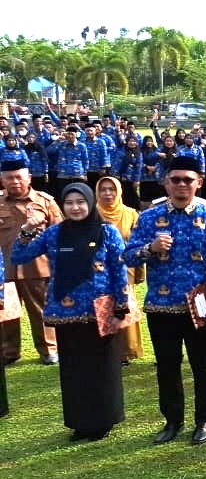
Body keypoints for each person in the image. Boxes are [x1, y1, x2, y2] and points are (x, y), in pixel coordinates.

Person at [123, 155, 206, 446]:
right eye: (175, 179)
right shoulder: (148, 218)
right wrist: (150, 248)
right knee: (167, 366)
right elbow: (128, 255)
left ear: (199, 183)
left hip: (199, 306)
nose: (181, 184)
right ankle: (172, 420)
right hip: (161, 305)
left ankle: (205, 420)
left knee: (203, 365)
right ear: (165, 182)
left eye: (188, 179)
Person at [11, 183, 129, 441]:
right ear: (63, 206)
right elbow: (19, 257)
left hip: (100, 311)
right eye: (69, 203)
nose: (75, 208)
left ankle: (103, 420)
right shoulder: (54, 234)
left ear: (90, 202)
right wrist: (28, 229)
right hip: (64, 313)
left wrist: (121, 307)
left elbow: (119, 272)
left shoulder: (107, 232)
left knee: (102, 368)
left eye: (81, 202)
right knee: (74, 369)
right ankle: (79, 422)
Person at [0, 159, 63, 366]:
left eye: (19, 177)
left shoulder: (45, 202)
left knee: (42, 311)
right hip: (5, 269)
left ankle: (48, 350)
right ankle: (9, 352)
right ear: (2, 180)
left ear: (28, 178)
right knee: (6, 313)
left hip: (38, 267)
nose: (15, 181)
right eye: (9, 178)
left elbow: (60, 233)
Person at [95, 176, 143, 363]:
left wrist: (139, 272)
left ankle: (127, 352)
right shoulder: (91, 214)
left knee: (126, 307)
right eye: (103, 190)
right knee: (104, 310)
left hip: (126, 270)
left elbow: (139, 244)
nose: (108, 193)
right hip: (99, 272)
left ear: (119, 191)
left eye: (112, 189)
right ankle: (107, 351)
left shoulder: (131, 214)